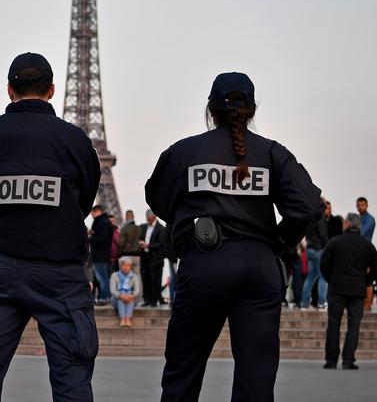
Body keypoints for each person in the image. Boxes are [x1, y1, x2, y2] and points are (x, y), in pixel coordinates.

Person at [145, 72, 323, 402]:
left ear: (211, 109)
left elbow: (157, 197)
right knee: (256, 379)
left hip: (204, 262)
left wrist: (189, 222)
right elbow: (309, 206)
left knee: (183, 371)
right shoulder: (272, 154)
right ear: (252, 109)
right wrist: (277, 241)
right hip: (259, 266)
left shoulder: (185, 152)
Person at [0, 52, 101, 401]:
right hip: (60, 272)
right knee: (72, 377)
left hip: (0, 267)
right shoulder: (74, 139)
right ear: (52, 90)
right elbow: (85, 199)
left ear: (9, 90)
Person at [321, 213, 377, 369]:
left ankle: (331, 361)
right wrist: (366, 282)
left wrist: (331, 280)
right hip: (357, 291)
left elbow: (324, 265)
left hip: (337, 288)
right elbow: (375, 268)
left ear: (346, 224)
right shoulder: (367, 245)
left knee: (333, 324)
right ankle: (348, 360)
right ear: (358, 226)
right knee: (354, 325)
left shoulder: (334, 242)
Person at [138, 210, 167, 307]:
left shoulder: (161, 228)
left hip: (156, 258)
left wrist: (148, 246)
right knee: (145, 278)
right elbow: (140, 237)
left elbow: (161, 244)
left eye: (150, 220)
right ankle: (147, 299)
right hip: (145, 257)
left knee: (154, 280)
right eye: (147, 219)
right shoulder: (143, 227)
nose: (148, 221)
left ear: (154, 217)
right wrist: (140, 243)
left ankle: (154, 300)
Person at [89, 205, 113, 305]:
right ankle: (104, 297)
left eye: (92, 213)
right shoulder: (105, 222)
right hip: (102, 255)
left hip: (100, 256)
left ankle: (104, 298)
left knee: (102, 278)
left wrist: (90, 238)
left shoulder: (102, 223)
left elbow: (102, 239)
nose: (91, 216)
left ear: (97, 211)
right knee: (103, 277)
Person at [110, 257, 141, 327]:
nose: (125, 267)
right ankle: (123, 319)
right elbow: (112, 290)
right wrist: (121, 296)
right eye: (124, 265)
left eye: (128, 265)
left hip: (131, 299)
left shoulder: (134, 277)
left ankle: (127, 319)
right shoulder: (114, 275)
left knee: (128, 294)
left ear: (130, 266)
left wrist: (131, 296)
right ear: (120, 266)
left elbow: (137, 291)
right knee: (122, 295)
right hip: (116, 299)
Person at [118, 210, 142, 281]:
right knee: (137, 276)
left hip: (126, 255)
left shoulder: (124, 229)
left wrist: (119, 254)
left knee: (125, 278)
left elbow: (121, 243)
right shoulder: (139, 228)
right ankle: (138, 292)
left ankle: (126, 292)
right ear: (133, 217)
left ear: (126, 217)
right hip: (137, 256)